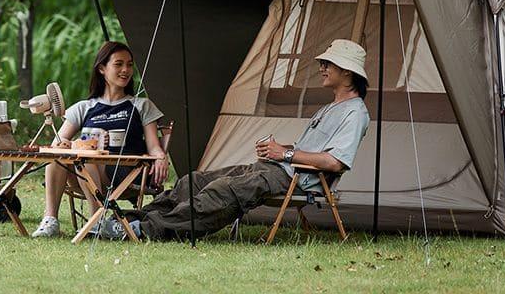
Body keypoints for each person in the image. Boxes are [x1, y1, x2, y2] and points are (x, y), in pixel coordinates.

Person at [100, 38, 371, 241]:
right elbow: (311, 150)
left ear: (347, 71)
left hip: (296, 180)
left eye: (328, 64)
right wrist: (279, 149)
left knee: (221, 192)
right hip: (274, 169)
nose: (322, 67)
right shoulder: (331, 106)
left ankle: (145, 230)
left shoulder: (355, 112)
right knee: (193, 181)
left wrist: (286, 155)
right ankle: (125, 221)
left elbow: (335, 162)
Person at [31, 40, 169, 238]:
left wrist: (161, 157)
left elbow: (154, 146)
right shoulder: (84, 107)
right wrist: (68, 144)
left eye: (129, 64)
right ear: (102, 69)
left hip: (125, 172)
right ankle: (50, 220)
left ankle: (97, 220)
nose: (125, 70)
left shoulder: (140, 105)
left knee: (84, 158)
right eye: (118, 64)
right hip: (84, 172)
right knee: (59, 156)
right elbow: (57, 143)